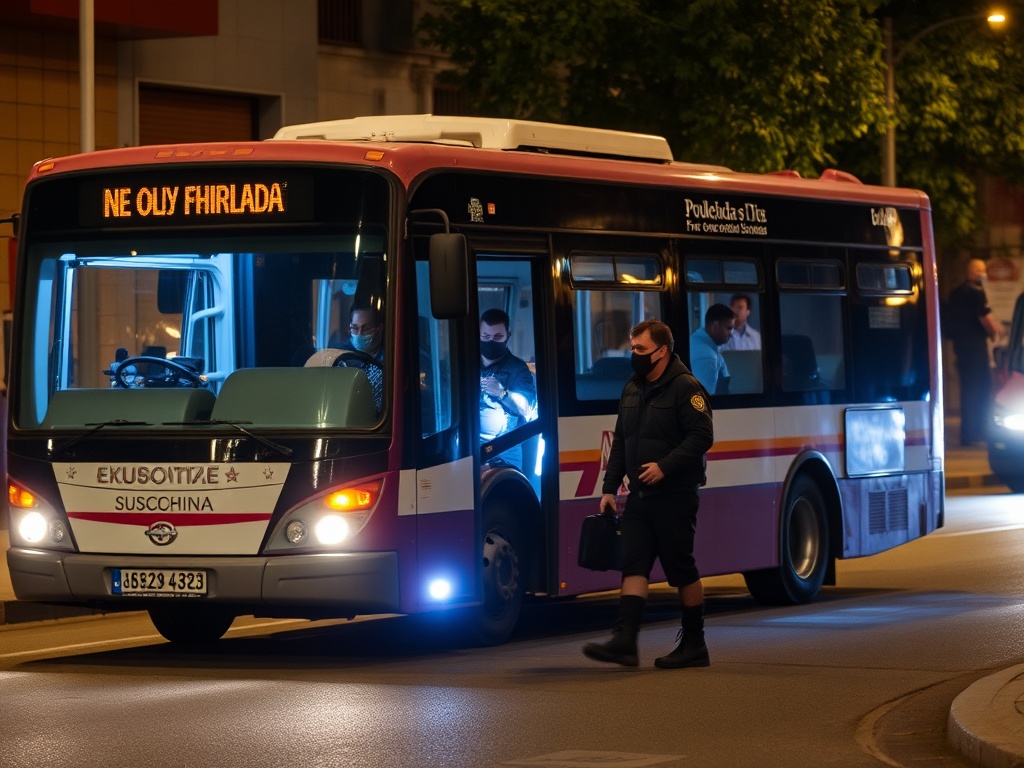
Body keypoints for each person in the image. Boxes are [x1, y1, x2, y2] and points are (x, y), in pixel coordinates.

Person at [582, 319, 714, 669]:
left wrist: (665, 466)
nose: (633, 355)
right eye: (632, 347)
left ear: (662, 351)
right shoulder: (632, 388)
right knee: (633, 563)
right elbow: (622, 440)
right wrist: (610, 488)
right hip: (640, 497)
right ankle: (625, 641)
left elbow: (702, 437)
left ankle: (695, 642)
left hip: (676, 494)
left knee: (680, 568)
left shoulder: (687, 388)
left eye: (640, 349)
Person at [946, 258, 1003, 446]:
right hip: (975, 347)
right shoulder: (975, 293)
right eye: (980, 270)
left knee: (969, 390)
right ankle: (976, 432)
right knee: (981, 388)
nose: (983, 274)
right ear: (970, 273)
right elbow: (985, 319)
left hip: (961, 347)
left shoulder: (956, 292)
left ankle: (969, 433)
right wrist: (996, 331)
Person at [479, 308, 537, 469]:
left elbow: (526, 408)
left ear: (508, 337)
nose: (491, 341)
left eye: (498, 337)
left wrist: (502, 392)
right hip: (468, 446)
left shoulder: (517, 368)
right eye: (486, 336)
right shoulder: (465, 364)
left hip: (504, 449)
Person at [689, 303, 735, 394]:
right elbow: (705, 400)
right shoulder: (707, 356)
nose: (731, 334)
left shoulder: (697, 339)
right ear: (716, 326)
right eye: (728, 328)